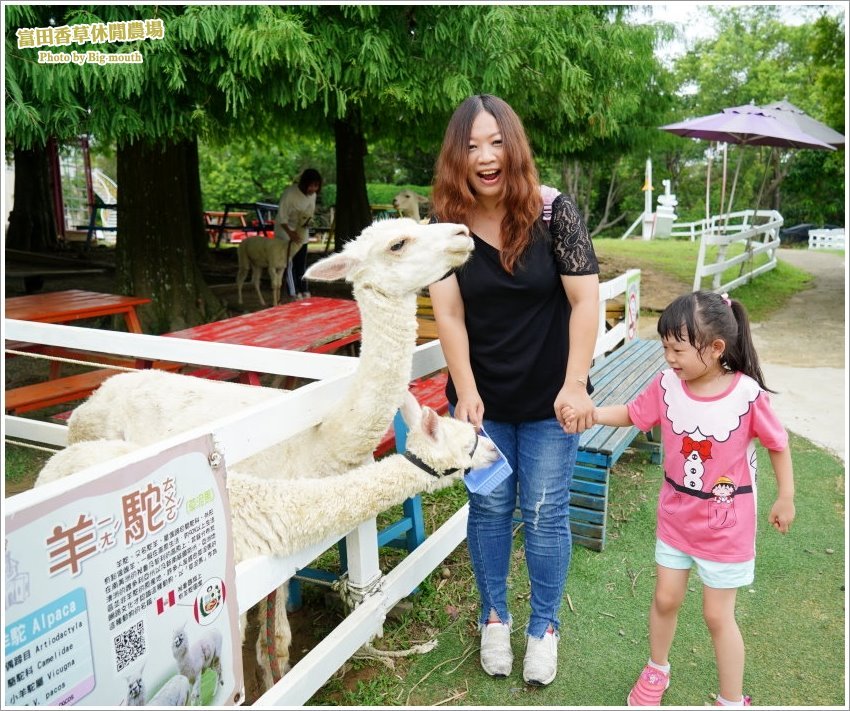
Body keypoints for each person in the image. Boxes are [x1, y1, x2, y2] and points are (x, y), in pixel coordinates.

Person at [428, 94, 600, 686]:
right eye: (471, 145)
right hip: (484, 403)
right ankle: (495, 615)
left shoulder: (555, 214)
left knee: (546, 511)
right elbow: (448, 316)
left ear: (513, 146)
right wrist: (466, 391)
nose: (485, 156)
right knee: (492, 505)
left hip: (555, 400)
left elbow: (584, 302)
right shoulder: (445, 231)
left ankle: (544, 625)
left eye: (495, 142)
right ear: (457, 157)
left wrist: (576, 384)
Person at [562, 290, 795, 707]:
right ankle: (657, 667)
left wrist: (786, 497)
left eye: (677, 349)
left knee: (716, 615)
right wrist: (593, 413)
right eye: (666, 347)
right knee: (665, 598)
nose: (668, 357)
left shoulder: (746, 396)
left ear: (716, 348)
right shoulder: (668, 385)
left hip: (726, 527)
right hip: (676, 520)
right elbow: (635, 415)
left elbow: (778, 443)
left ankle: (731, 698)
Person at [274, 168, 322, 299]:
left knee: (301, 262)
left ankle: (304, 289)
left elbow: (309, 215)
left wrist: (307, 227)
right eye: (311, 185)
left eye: (316, 186)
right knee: (289, 263)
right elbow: (282, 217)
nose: (313, 189)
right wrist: (290, 233)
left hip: (301, 231)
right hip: (285, 231)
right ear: (304, 183)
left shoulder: (313, 195)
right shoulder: (289, 194)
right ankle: (293, 292)